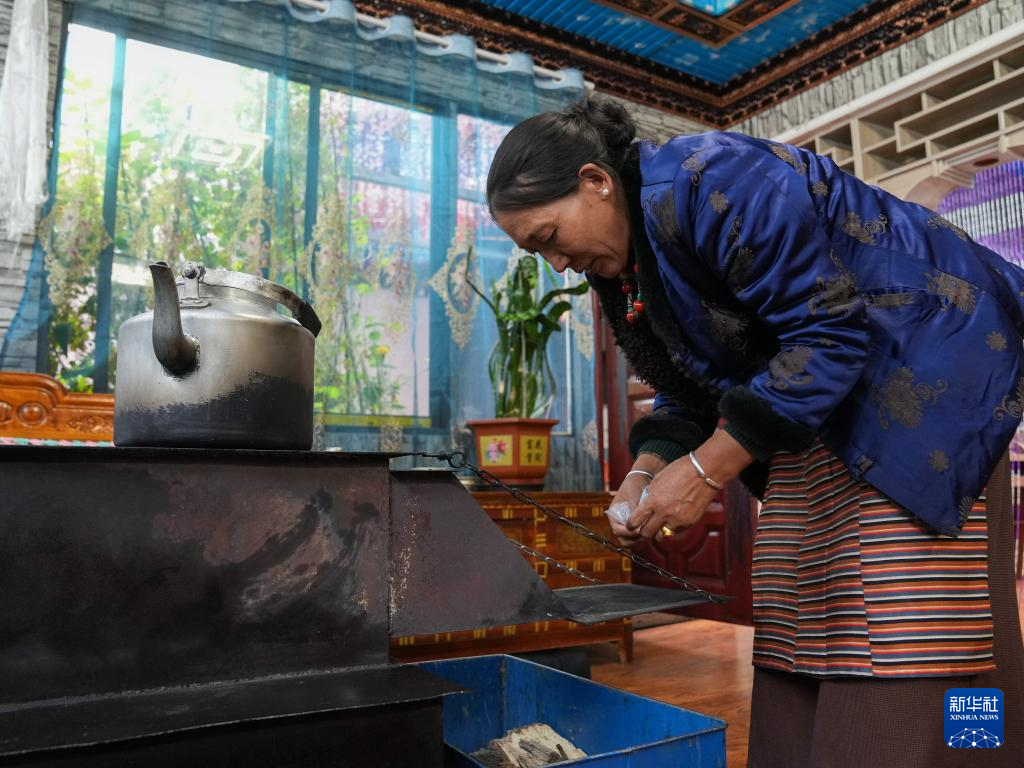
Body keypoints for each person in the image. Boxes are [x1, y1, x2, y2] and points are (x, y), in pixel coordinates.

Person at [485, 98, 1024, 767]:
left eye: (547, 237)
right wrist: (647, 470)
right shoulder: (622, 265)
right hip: (814, 404)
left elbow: (827, 335)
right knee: (793, 603)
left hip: (923, 384)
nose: (556, 263)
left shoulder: (716, 177)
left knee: (914, 624)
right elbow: (688, 386)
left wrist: (705, 471)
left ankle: (978, 752)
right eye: (537, 252)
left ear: (595, 181)